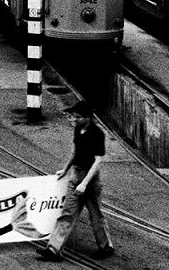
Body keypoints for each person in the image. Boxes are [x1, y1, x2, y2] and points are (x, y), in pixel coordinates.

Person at [39, 101, 113, 261]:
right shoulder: (78, 129)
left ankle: (105, 246)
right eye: (74, 117)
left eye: (78, 117)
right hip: (76, 175)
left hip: (90, 179)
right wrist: (65, 170)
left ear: (88, 118)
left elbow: (97, 161)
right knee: (67, 213)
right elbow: (75, 152)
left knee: (95, 215)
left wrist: (85, 183)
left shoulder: (97, 134)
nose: (74, 119)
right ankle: (53, 249)